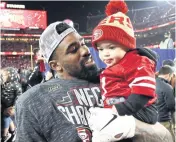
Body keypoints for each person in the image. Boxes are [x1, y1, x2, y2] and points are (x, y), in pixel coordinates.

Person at [15, 21, 172, 142]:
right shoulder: (32, 101)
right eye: (73, 49)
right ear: (56, 65)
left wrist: (131, 127)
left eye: (83, 43)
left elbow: (165, 136)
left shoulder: (119, 80)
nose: (86, 50)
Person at [91, 0, 158, 124]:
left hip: (141, 109)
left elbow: (144, 90)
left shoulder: (137, 61)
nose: (105, 53)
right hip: (123, 105)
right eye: (100, 49)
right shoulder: (116, 65)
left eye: (111, 47)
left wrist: (121, 109)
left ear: (127, 46)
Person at [156, 65, 175, 140]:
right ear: (168, 75)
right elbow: (172, 106)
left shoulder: (152, 83)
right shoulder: (167, 87)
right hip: (164, 121)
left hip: (152, 120)